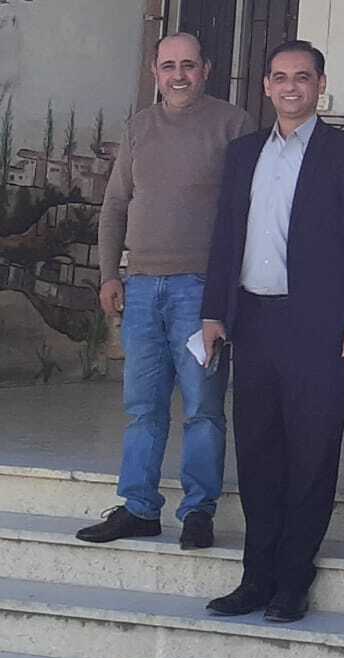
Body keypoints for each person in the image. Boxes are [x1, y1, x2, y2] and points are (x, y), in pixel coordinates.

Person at [201, 40, 344, 624]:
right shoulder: (243, 153)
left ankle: (292, 581)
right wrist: (213, 311)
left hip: (318, 327)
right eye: (280, 77)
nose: (291, 87)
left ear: (320, 85)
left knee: (312, 453)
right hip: (253, 322)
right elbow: (225, 236)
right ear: (266, 86)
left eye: (302, 77)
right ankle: (256, 577)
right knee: (257, 453)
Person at [76, 35, 253, 550]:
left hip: (200, 292)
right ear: (154, 71)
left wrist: (228, 294)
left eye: (188, 65)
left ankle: (198, 512)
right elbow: (115, 205)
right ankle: (138, 507)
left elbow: (247, 211)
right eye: (168, 65)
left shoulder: (233, 124)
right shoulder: (139, 127)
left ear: (206, 69)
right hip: (141, 288)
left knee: (203, 408)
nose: (179, 75)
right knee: (142, 407)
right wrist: (110, 274)